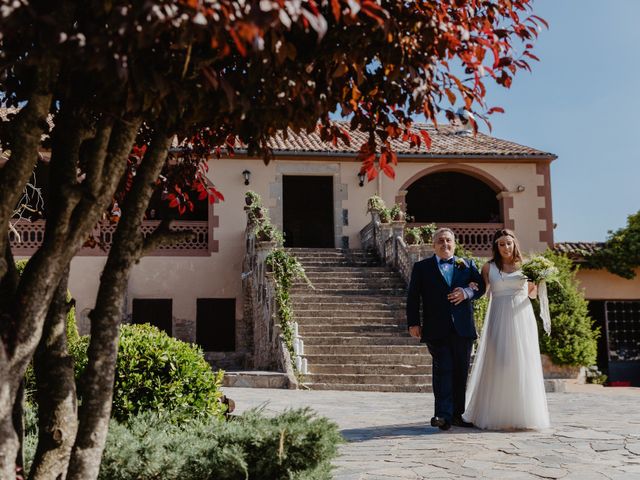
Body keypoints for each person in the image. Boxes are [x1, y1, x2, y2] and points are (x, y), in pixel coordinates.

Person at [462, 229, 550, 430]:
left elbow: (533, 295)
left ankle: (524, 415)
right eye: (501, 244)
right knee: (499, 361)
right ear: (496, 246)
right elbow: (483, 292)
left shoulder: (527, 266)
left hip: (522, 316)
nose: (506, 247)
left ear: (514, 244)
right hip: (498, 316)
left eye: (508, 243)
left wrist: (540, 281)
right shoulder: (488, 267)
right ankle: (496, 413)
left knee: (522, 362)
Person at [407, 228, 486, 430]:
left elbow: (481, 287)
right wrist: (413, 322)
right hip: (436, 327)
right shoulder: (421, 267)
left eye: (448, 240)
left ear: (454, 244)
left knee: (460, 371)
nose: (445, 244)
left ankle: (458, 414)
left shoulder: (467, 265)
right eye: (440, 241)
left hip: (463, 328)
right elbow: (413, 297)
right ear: (434, 245)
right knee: (443, 369)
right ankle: (442, 415)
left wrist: (466, 292)